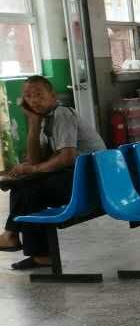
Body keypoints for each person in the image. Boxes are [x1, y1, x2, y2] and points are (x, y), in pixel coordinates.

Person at [0, 75, 105, 269]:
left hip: (91, 182)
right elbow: (35, 160)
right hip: (77, 178)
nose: (33, 100)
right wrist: (33, 122)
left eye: (39, 94)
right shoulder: (45, 120)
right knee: (24, 185)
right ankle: (25, 245)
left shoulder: (62, 114)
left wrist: (32, 169)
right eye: (28, 96)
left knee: (28, 189)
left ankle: (17, 239)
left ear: (53, 95)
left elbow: (67, 157)